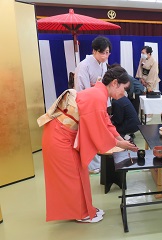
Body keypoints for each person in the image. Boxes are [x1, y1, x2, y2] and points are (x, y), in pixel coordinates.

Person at [38, 66, 138, 223]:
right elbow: (99, 132)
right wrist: (120, 144)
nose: (123, 94)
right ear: (115, 83)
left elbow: (105, 121)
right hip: (59, 137)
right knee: (72, 177)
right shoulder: (98, 96)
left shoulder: (99, 93)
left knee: (80, 173)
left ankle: (85, 209)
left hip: (64, 134)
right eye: (124, 89)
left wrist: (120, 139)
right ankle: (80, 213)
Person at [74, 36, 112, 174]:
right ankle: (91, 165)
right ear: (94, 51)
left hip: (99, 103)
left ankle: (99, 161)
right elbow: (80, 89)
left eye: (108, 52)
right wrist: (93, 90)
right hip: (87, 105)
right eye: (103, 52)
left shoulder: (103, 65)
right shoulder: (84, 65)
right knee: (90, 134)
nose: (105, 56)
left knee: (99, 132)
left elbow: (104, 86)